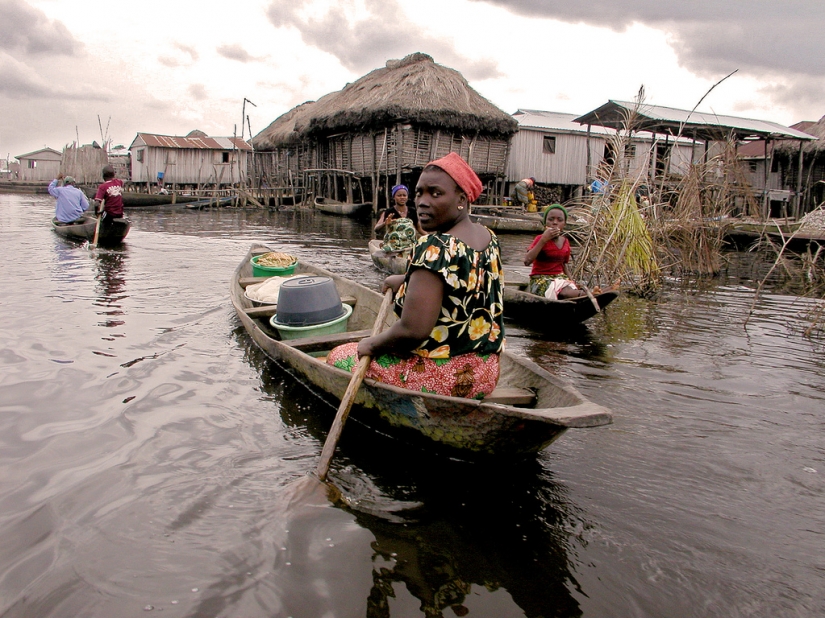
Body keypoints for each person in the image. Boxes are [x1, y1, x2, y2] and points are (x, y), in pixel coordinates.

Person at [327, 152, 504, 400]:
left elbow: (412, 331)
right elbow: (461, 284)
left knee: (338, 355)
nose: (422, 201)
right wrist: (404, 280)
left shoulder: (435, 246)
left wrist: (371, 344)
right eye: (419, 193)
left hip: (444, 379)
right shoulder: (489, 238)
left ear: (462, 199)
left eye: (436, 193)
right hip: (485, 373)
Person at [523, 204, 587, 300]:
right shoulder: (540, 239)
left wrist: (572, 281)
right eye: (551, 219)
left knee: (569, 288)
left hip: (560, 279)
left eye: (559, 220)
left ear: (564, 224)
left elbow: (563, 265)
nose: (555, 223)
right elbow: (527, 261)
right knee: (564, 291)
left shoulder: (565, 241)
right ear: (545, 223)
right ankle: (585, 295)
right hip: (541, 280)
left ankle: (588, 293)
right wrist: (544, 239)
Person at [374, 184, 424, 252]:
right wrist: (384, 223)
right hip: (393, 247)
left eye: (404, 195)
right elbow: (376, 229)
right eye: (399, 195)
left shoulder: (412, 211)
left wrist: (432, 237)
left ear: (407, 197)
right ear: (394, 197)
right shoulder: (388, 212)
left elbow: (419, 229)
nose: (402, 197)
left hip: (410, 246)